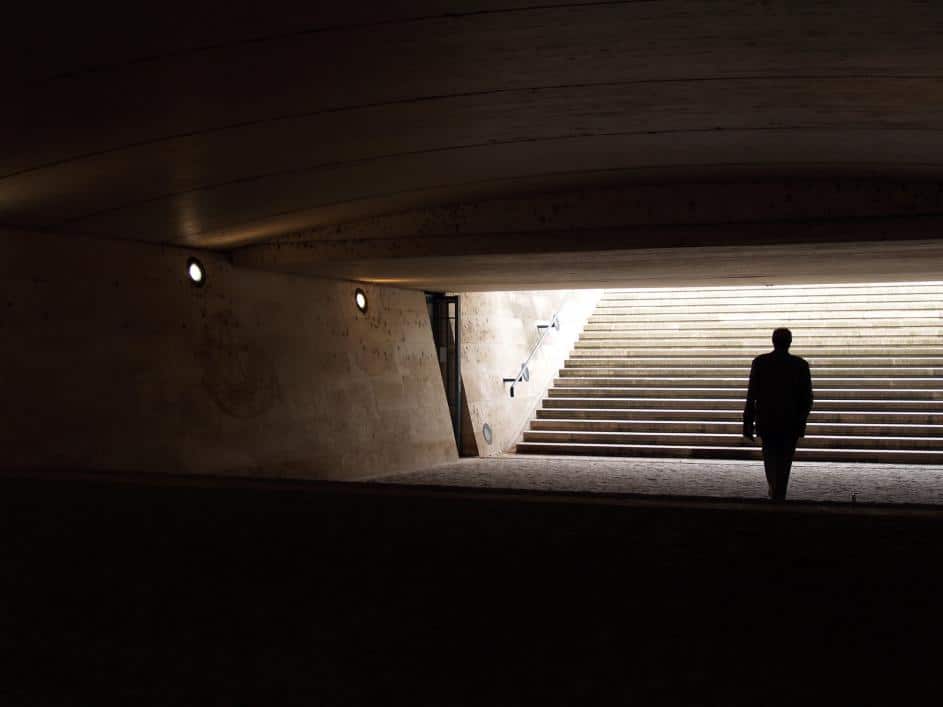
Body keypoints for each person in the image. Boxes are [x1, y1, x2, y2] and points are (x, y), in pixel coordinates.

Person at [743, 328, 814, 501]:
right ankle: (780, 490)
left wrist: (747, 422)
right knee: (785, 458)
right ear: (790, 342)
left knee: (770, 456)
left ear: (773, 341)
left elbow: (752, 394)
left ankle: (774, 488)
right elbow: (807, 397)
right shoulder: (800, 365)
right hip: (790, 421)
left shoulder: (760, 362)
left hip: (767, 419)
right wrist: (801, 420)